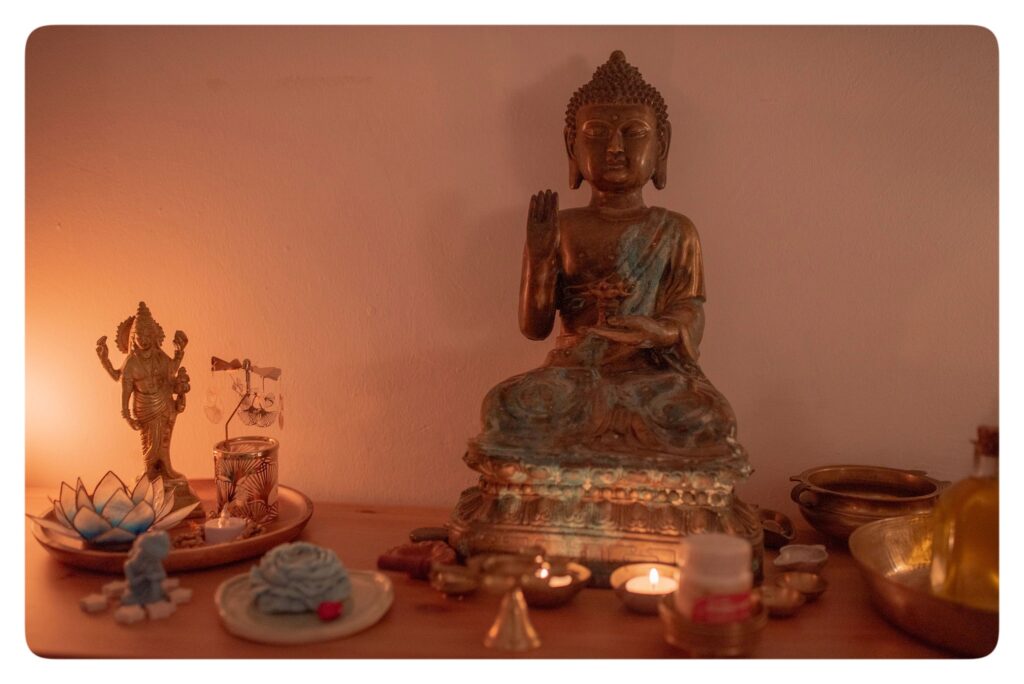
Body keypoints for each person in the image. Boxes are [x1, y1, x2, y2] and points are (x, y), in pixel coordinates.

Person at [476, 51, 745, 466]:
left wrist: (658, 330)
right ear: (572, 146)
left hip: (650, 375)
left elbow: (689, 310)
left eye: (634, 133)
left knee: (710, 417)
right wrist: (541, 258)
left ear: (662, 145)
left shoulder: (676, 230)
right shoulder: (561, 226)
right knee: (503, 406)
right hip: (574, 373)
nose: (615, 147)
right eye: (597, 134)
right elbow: (535, 328)